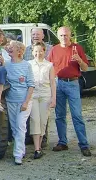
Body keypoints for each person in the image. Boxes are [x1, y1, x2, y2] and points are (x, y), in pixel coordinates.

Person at [48, 26, 91, 157]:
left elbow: (85, 68)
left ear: (70, 35)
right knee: (59, 115)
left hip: (73, 83)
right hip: (58, 83)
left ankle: (84, 144)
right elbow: (48, 67)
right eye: (61, 35)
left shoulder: (77, 48)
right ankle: (62, 142)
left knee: (77, 115)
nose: (64, 38)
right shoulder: (54, 49)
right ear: (58, 36)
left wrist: (79, 60)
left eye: (66, 35)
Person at [4, 40, 34, 165]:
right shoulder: (6, 64)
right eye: (9, 47)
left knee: (21, 126)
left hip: (24, 101)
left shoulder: (26, 65)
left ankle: (17, 155)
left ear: (20, 51)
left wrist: (26, 102)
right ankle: (21, 150)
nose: (9, 49)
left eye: (12, 47)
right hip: (10, 100)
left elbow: (31, 85)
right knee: (15, 129)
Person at [28, 42, 56, 159]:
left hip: (45, 95)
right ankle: (37, 149)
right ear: (32, 52)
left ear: (44, 52)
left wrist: (54, 98)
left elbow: (53, 83)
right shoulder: (28, 64)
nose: (38, 53)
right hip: (33, 96)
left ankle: (39, 146)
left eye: (40, 51)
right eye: (35, 51)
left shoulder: (49, 65)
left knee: (43, 121)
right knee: (35, 120)